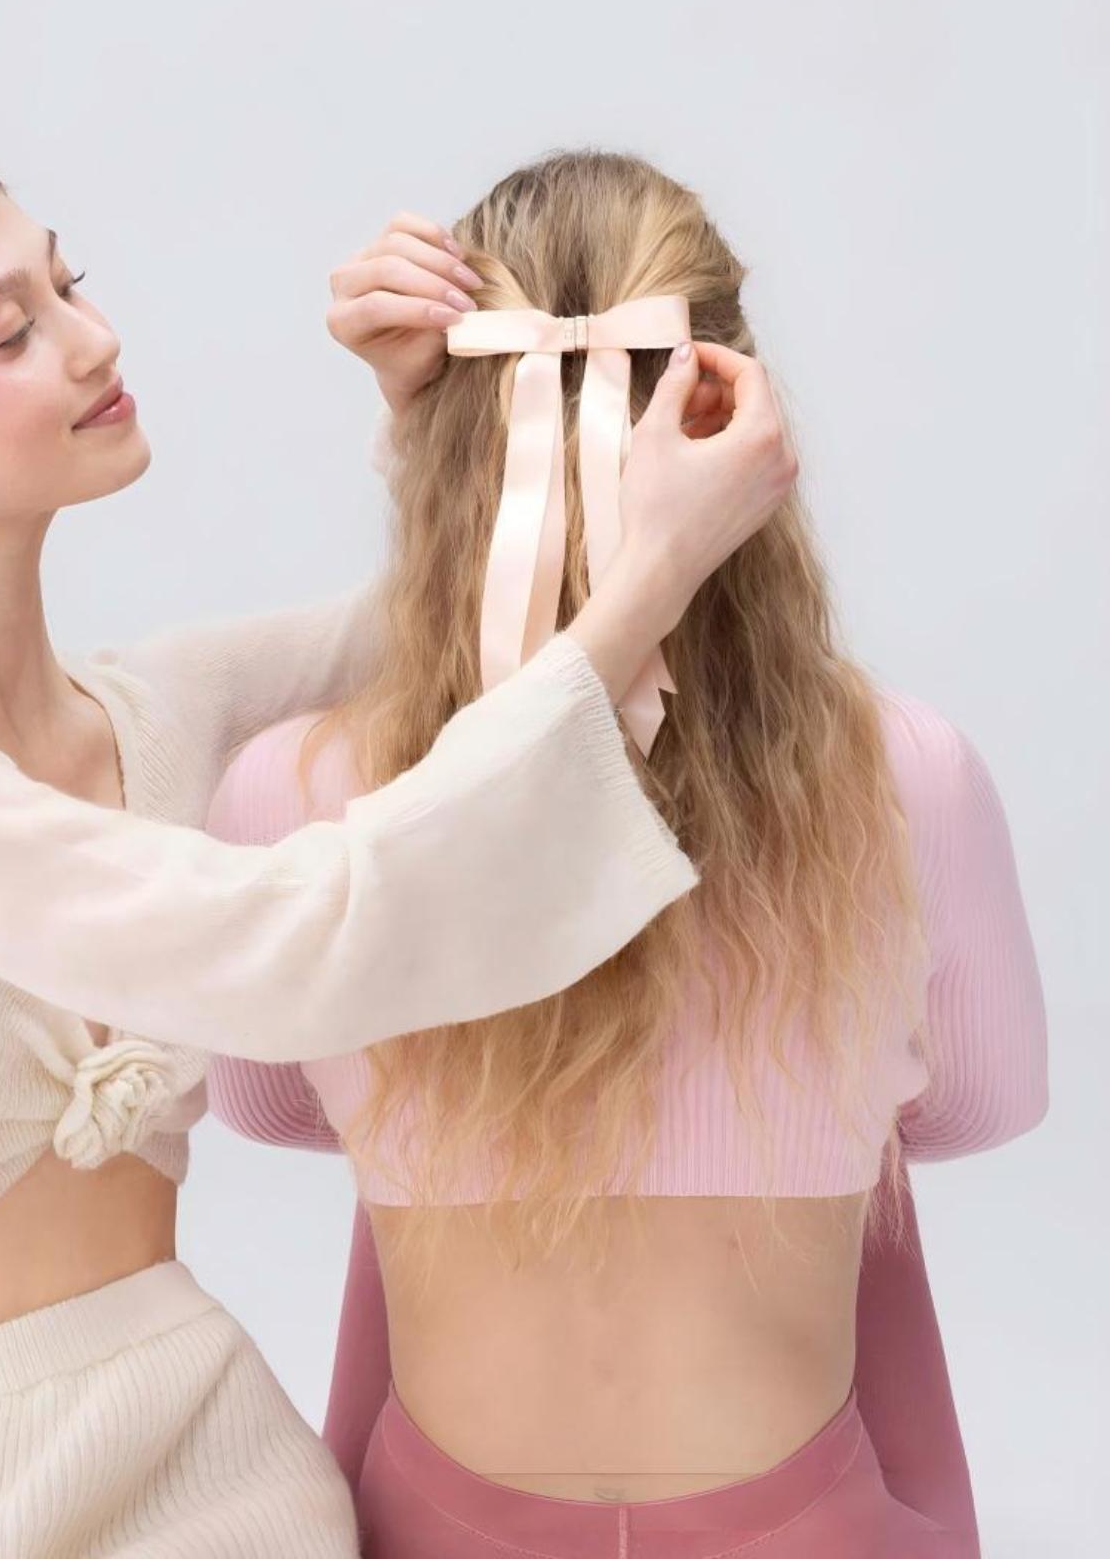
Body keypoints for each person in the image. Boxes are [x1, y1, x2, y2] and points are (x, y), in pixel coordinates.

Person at [0, 150, 794, 1558]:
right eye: (13, 331)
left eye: (71, 285)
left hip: (222, 1474)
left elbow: (468, 628)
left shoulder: (157, 709)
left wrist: (437, 409)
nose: (93, 339)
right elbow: (288, 943)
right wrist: (649, 579)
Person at [205, 145, 1047, 1558]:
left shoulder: (295, 786)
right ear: (739, 421)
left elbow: (273, 1106)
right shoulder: (911, 776)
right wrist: (781, 1094)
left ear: (451, 437)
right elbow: (978, 1107)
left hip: (430, 1524)